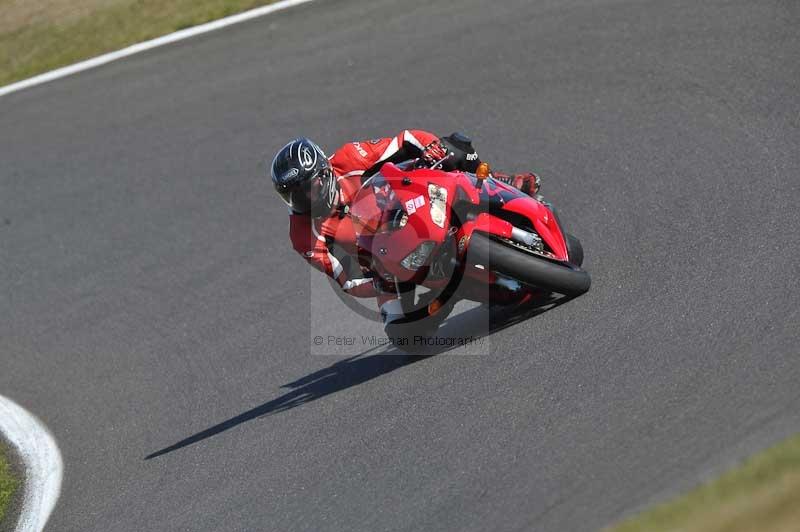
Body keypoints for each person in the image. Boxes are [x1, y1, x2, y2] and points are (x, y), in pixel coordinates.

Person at [269, 130, 541, 302]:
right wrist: (378, 282)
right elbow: (346, 280)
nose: (303, 199)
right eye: (292, 195)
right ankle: (479, 288)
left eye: (307, 188)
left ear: (325, 172)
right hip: (390, 265)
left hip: (411, 207)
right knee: (401, 334)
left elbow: (405, 140)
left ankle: (499, 182)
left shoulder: (350, 158)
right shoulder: (303, 235)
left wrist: (431, 148)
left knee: (455, 147)